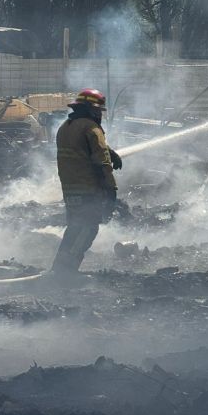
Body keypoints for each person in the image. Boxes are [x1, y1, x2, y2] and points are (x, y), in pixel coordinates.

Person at [51, 88, 123, 276]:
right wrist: (111, 189)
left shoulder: (66, 126)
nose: (99, 115)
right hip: (88, 189)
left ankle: (58, 268)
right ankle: (66, 273)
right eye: (98, 111)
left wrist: (110, 150)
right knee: (89, 228)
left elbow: (81, 146)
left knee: (74, 228)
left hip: (70, 189)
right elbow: (102, 162)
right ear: (92, 110)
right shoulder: (92, 128)